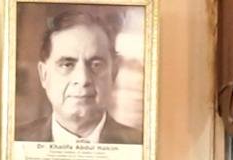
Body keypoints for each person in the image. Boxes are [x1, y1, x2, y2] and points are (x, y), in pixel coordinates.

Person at [15, 12, 141, 144]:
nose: (83, 79)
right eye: (66, 65)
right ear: (44, 75)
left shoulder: (141, 145)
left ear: (113, 73)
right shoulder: (14, 142)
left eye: (96, 65)